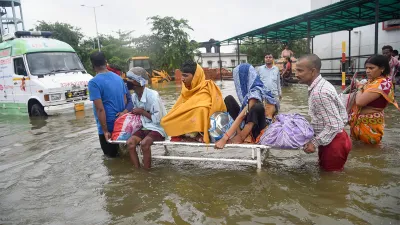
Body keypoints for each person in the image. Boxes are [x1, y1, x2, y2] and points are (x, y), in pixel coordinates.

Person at [295, 54, 351, 172]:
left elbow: (334, 125)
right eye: (296, 70)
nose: (296, 74)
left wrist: (314, 143)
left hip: (334, 143)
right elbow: (341, 116)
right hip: (336, 138)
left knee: (331, 182)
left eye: (300, 71)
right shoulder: (322, 85)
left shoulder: (319, 93)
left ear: (312, 71)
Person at [161, 60, 226, 144]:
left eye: (185, 76)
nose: (182, 78)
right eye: (182, 75)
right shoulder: (186, 89)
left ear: (195, 76)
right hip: (190, 127)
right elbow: (178, 108)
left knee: (201, 109)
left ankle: (200, 134)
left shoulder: (206, 89)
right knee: (165, 121)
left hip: (209, 128)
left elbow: (210, 109)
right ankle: (187, 133)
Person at [215, 63, 277, 149]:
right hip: (248, 119)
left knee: (256, 107)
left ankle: (242, 136)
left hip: (259, 125)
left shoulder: (255, 92)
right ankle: (240, 133)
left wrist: (225, 138)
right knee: (228, 99)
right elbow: (242, 114)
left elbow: (241, 116)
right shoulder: (248, 92)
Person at [349, 55, 400, 145]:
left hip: (370, 122)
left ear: (382, 68)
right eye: (366, 68)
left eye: (371, 68)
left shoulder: (382, 83)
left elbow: (360, 102)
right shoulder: (372, 81)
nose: (367, 71)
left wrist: (360, 87)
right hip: (359, 121)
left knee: (371, 149)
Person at [88, 51, 129, 157]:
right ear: (106, 62)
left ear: (92, 65)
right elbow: (125, 101)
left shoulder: (93, 83)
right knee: (125, 155)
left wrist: (105, 130)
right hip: (121, 124)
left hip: (108, 126)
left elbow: (100, 109)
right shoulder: (119, 78)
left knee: (111, 160)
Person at [125, 67, 167, 169]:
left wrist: (142, 112)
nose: (128, 82)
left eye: (131, 79)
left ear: (140, 82)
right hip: (144, 126)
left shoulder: (153, 96)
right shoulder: (134, 96)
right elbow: (137, 114)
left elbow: (158, 120)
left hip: (158, 128)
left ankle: (147, 172)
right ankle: (137, 170)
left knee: (144, 144)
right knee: (130, 143)